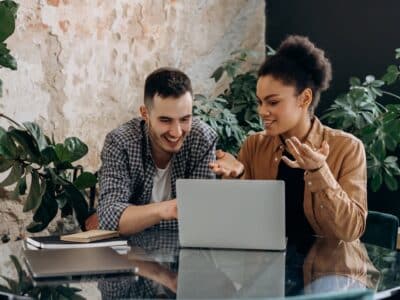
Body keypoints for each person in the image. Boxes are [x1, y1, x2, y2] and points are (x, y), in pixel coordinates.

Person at [209, 35, 367, 242]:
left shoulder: (347, 148)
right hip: (266, 266)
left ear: (305, 98)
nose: (262, 111)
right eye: (260, 102)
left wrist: (319, 171)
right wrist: (237, 176)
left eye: (272, 102)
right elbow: (237, 224)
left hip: (332, 268)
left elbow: (350, 231)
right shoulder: (254, 145)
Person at [98, 67, 217, 235]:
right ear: (145, 114)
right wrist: (167, 209)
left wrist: (135, 218)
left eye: (185, 119)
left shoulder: (202, 138)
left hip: (187, 253)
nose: (176, 132)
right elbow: (109, 218)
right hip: (131, 255)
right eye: (165, 120)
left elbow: (202, 218)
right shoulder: (121, 142)